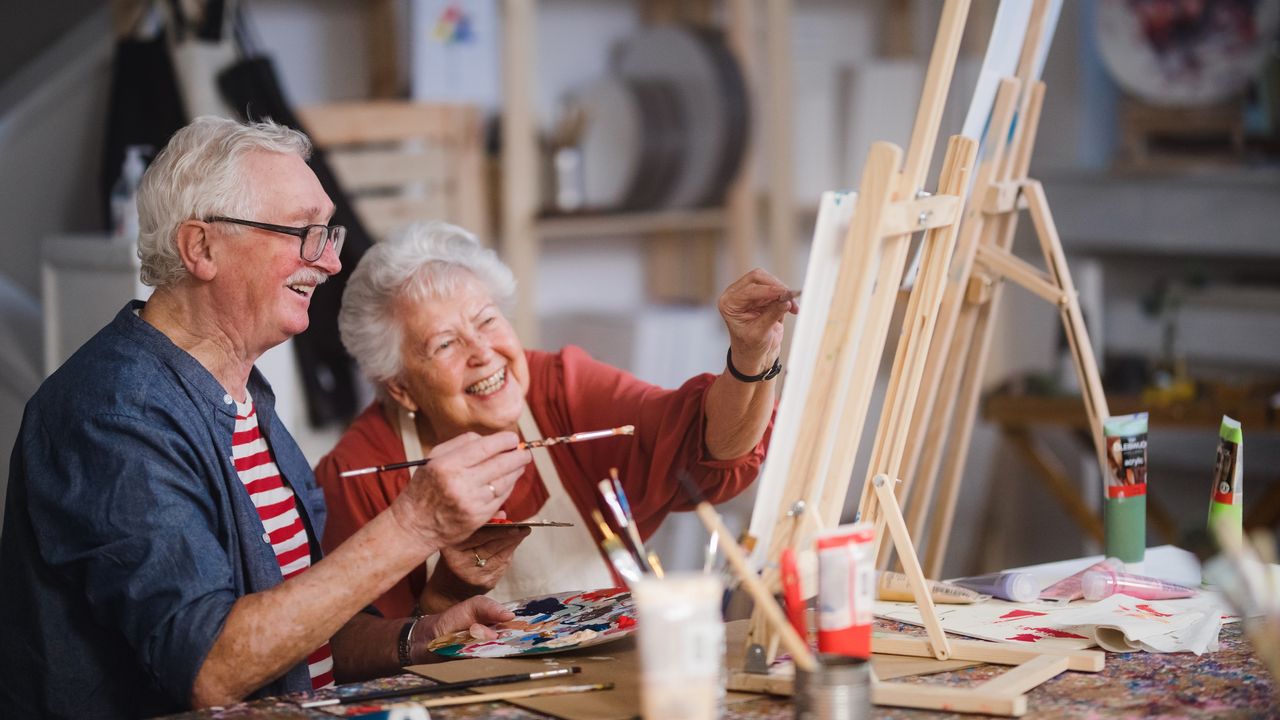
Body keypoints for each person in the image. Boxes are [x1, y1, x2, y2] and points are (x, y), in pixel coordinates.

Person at [0, 117, 531, 719]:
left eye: (327, 233)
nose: (330, 263)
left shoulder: (246, 392)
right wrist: (416, 524)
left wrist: (421, 636)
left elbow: (295, 641)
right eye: (304, 233)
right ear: (201, 247)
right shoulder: (111, 411)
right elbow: (210, 668)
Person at [316, 221, 797, 618]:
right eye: (445, 344)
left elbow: (708, 444)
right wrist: (446, 594)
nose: (483, 353)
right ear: (400, 386)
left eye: (486, 321)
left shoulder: (559, 387)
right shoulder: (356, 474)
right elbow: (357, 656)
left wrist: (750, 356)